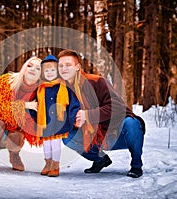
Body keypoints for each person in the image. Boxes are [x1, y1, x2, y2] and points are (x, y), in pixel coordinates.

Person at [57, 49, 146, 178]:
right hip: (94, 137)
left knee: (131, 123)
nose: (64, 68)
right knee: (67, 136)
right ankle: (100, 160)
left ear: (77, 67)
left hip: (118, 134)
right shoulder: (61, 91)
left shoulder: (96, 81)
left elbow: (117, 107)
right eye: (61, 66)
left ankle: (136, 166)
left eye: (68, 65)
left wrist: (87, 115)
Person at [0, 56, 42, 171]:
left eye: (38, 68)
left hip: (10, 131)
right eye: (29, 65)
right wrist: (24, 105)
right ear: (24, 68)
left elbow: (32, 121)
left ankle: (14, 155)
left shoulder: (38, 93)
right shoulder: (6, 81)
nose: (32, 69)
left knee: (18, 136)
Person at [29, 54, 80, 177]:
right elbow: (34, 104)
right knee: (46, 144)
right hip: (45, 122)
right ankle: (48, 163)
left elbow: (73, 103)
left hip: (59, 122)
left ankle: (55, 165)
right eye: (46, 70)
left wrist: (74, 117)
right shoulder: (40, 89)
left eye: (53, 70)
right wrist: (33, 117)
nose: (50, 73)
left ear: (57, 71)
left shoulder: (64, 87)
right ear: (43, 73)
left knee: (55, 143)